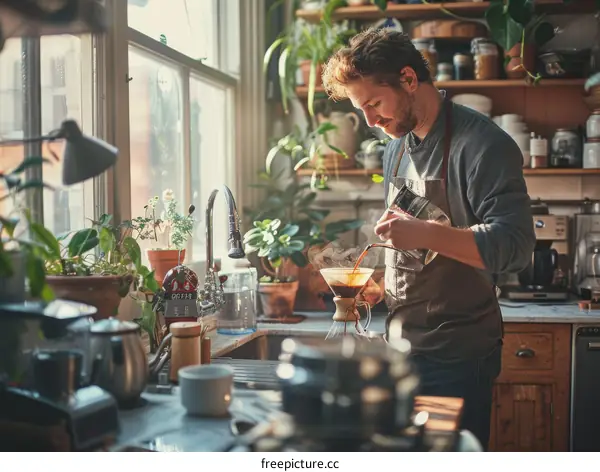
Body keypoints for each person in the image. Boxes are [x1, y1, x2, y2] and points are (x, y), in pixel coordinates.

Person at [321, 27, 536, 451]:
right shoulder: (396, 147)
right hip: (401, 347)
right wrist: (381, 288)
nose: (370, 121)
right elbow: (411, 248)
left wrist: (426, 233)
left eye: (374, 104)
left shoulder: (484, 146)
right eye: (361, 109)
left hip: (456, 356)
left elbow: (515, 246)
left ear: (408, 78)